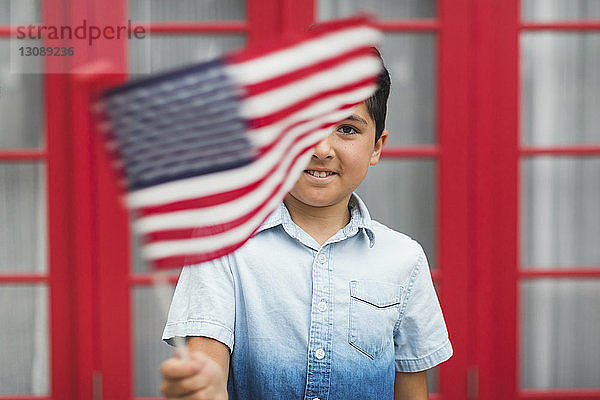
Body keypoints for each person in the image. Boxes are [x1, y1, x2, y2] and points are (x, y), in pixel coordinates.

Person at [159, 52, 452, 400]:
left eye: (346, 128)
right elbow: (208, 375)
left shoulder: (405, 260)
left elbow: (412, 389)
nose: (321, 148)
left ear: (377, 147)